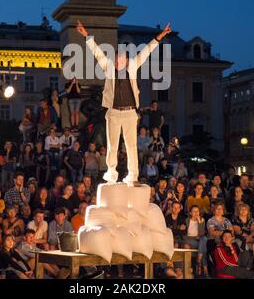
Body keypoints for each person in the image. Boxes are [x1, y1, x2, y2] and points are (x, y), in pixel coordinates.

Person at [76, 19, 172, 186]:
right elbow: (97, 53)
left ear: (127, 61)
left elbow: (146, 51)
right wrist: (86, 36)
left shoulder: (132, 67)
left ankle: (133, 175)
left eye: (121, 59)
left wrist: (160, 36)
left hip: (129, 112)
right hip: (113, 112)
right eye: (116, 59)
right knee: (112, 144)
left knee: (131, 145)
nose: (118, 61)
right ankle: (111, 174)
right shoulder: (109, 68)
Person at [183, 205, 208, 276]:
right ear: (190, 213)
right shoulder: (186, 220)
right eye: (194, 211)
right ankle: (205, 267)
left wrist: (199, 222)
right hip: (188, 240)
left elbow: (201, 234)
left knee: (204, 239)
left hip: (197, 241)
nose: (196, 213)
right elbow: (184, 235)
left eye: (197, 211)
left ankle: (199, 259)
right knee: (203, 244)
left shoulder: (202, 220)